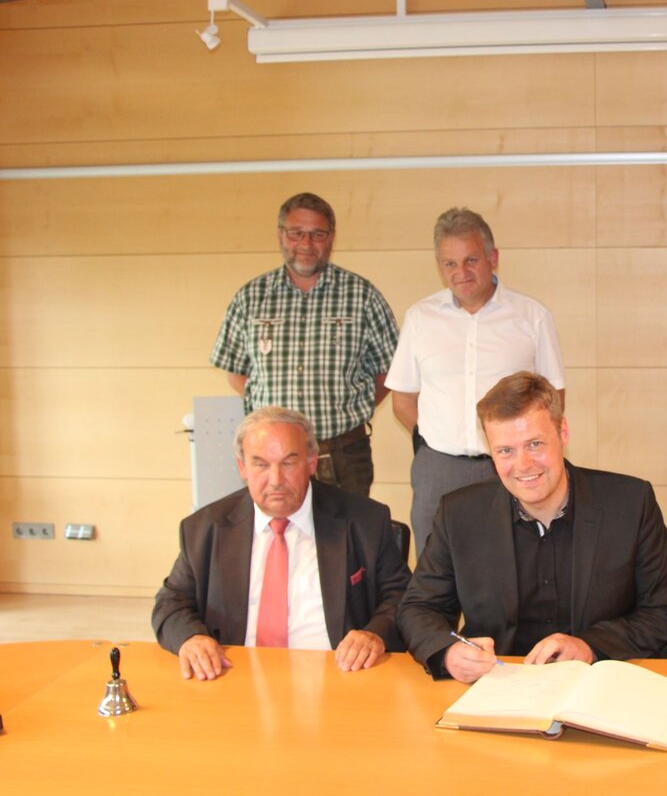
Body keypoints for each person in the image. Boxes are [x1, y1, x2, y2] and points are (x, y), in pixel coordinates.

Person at [397, 372, 667, 682]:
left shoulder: (630, 503)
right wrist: (448, 653)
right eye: (505, 450)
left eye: (534, 444)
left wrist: (590, 646)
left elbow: (664, 612)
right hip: (497, 687)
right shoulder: (459, 514)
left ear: (563, 433)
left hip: (600, 684)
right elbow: (418, 609)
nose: (523, 465)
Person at [152, 407, 411, 680]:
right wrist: (191, 638)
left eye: (288, 463)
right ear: (242, 467)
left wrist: (374, 634)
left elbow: (402, 595)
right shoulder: (206, 528)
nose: (275, 480)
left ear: (311, 462)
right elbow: (170, 603)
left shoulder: (365, 521)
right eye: (261, 464)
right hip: (234, 675)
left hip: (339, 675)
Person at [385, 207, 565, 557]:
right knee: (435, 569)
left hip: (511, 469)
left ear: (493, 258)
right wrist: (429, 442)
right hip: (439, 469)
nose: (461, 273)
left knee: (516, 563)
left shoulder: (532, 317)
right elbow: (402, 399)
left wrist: (523, 449)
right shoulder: (420, 318)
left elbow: (554, 398)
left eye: (471, 260)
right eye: (450, 263)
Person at [210, 192, 398, 497]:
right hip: (271, 456)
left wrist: (350, 407)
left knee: (347, 528)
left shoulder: (362, 296)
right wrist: (274, 415)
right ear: (280, 235)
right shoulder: (251, 298)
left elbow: (389, 370)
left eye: (317, 234)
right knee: (277, 527)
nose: (306, 244)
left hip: (343, 455)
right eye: (296, 233)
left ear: (331, 237)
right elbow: (236, 371)